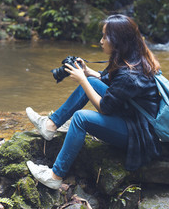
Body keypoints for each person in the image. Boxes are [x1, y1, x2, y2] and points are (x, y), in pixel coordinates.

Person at [26, 14, 162, 190]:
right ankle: (50, 126)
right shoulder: (132, 58)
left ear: (118, 41)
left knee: (81, 118)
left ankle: (55, 175)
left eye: (105, 37)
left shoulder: (130, 74)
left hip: (138, 133)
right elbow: (115, 89)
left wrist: (82, 79)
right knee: (91, 82)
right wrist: (88, 72)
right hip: (131, 115)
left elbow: (105, 108)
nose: (101, 41)